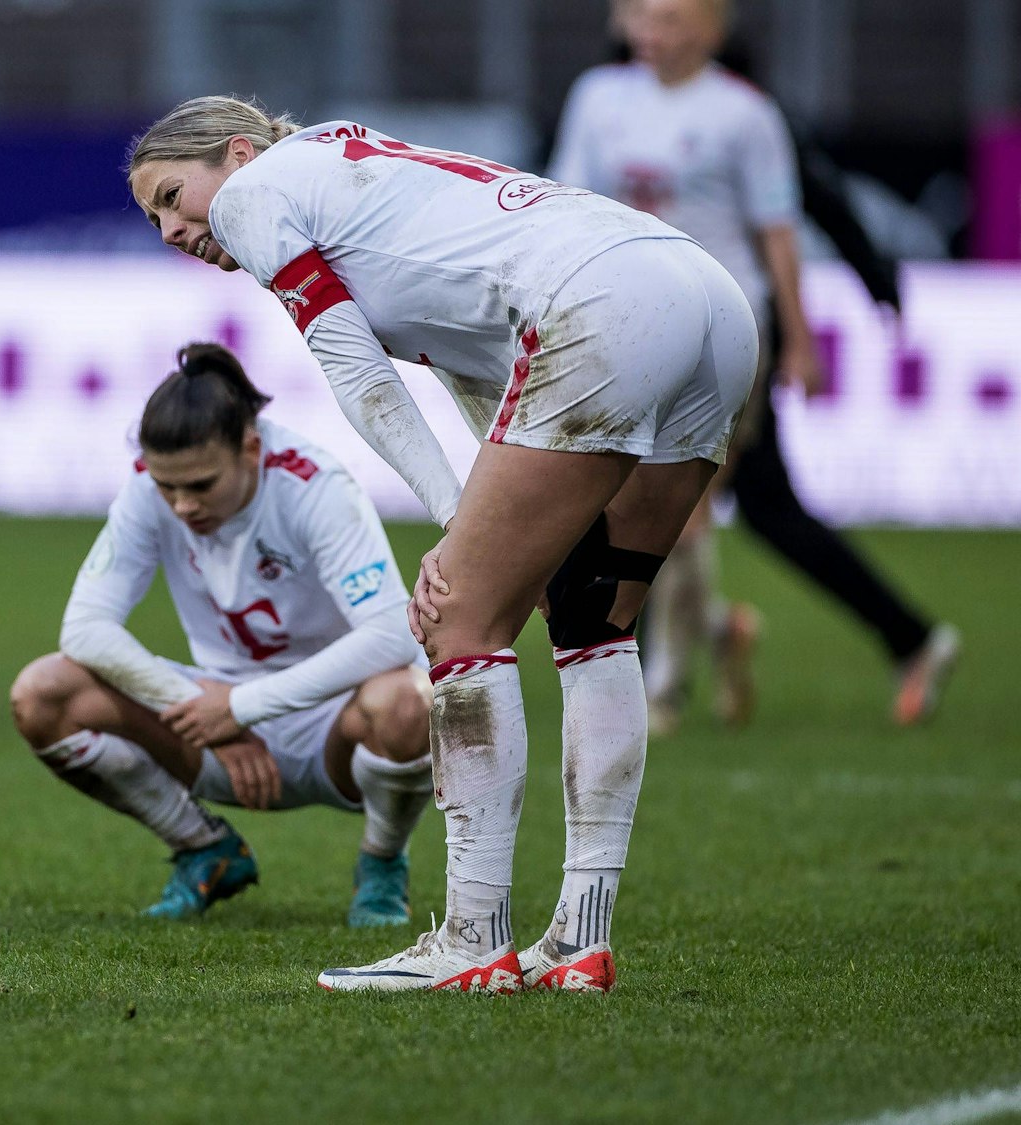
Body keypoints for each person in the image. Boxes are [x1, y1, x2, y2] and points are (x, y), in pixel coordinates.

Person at [127, 96, 757, 993]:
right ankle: (581, 940)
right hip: (705, 296)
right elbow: (486, 369)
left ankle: (472, 940)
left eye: (171, 196)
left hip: (604, 300)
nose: (171, 229)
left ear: (234, 153)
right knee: (592, 619)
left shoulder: (254, 194)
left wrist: (460, 536)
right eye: (154, 217)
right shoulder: (355, 173)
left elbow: (356, 371)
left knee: (458, 622)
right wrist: (498, 530)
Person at [549, 0, 960, 730]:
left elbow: (781, 231)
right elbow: (567, 206)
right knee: (761, 508)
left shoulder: (747, 116)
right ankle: (891, 636)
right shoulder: (596, 97)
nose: (652, 30)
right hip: (627, 323)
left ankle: (659, 688)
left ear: (712, 28)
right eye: (640, 14)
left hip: (722, 331)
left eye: (670, 16)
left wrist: (798, 339)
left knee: (668, 505)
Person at [9, 343, 435, 926]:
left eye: (202, 485)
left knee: (410, 700)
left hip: (335, 721)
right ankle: (205, 849)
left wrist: (243, 707)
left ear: (251, 449)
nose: (182, 505)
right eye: (167, 488)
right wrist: (200, 709)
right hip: (209, 719)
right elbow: (85, 628)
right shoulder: (146, 487)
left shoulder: (316, 486)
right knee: (43, 692)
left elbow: (393, 635)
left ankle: (383, 863)